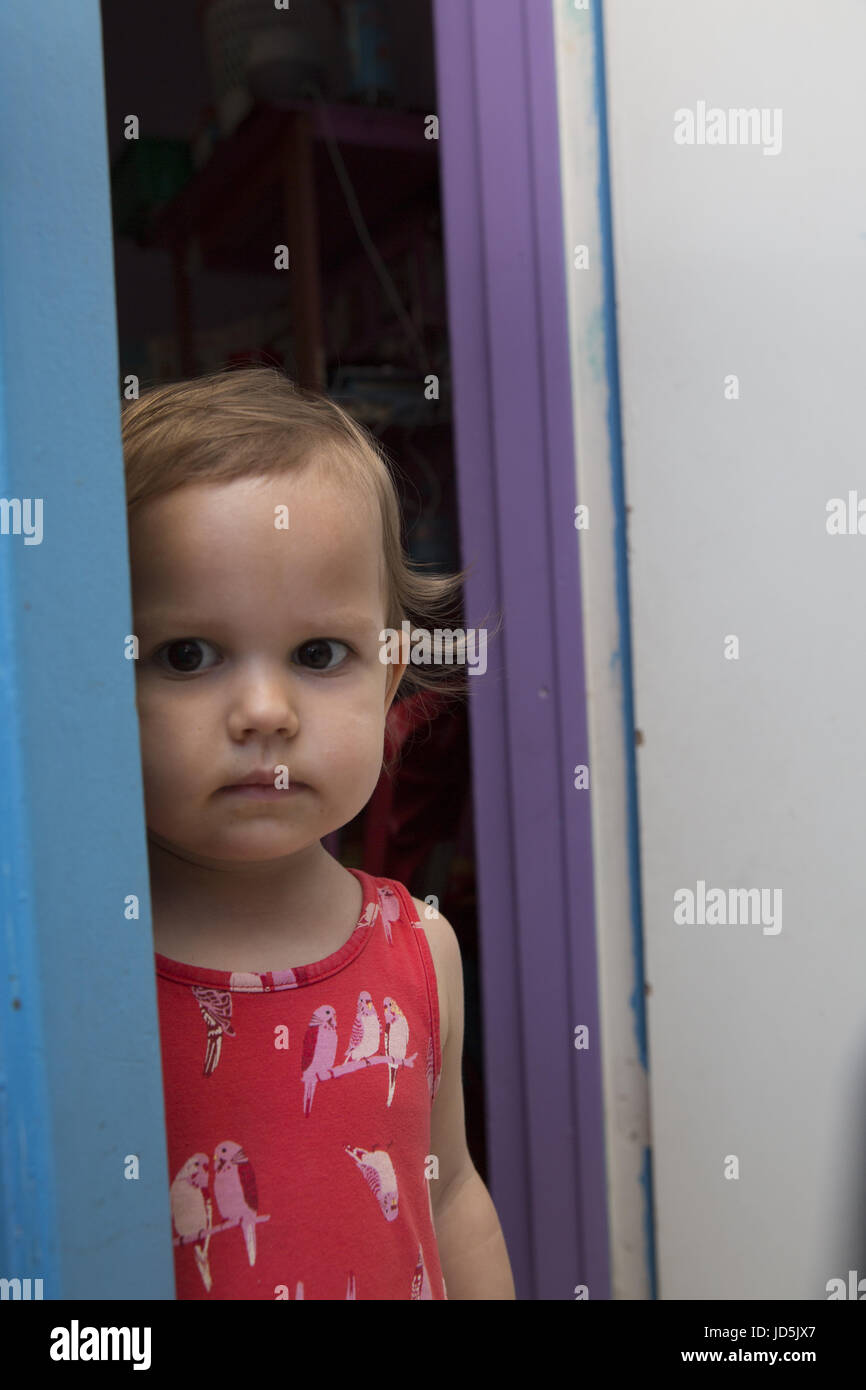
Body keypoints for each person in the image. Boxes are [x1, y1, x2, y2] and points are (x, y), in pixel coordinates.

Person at [121, 366, 515, 1301]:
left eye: (317, 655)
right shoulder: (82, 969)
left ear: (386, 685)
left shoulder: (423, 949)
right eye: (188, 655)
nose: (264, 711)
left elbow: (449, 1189)